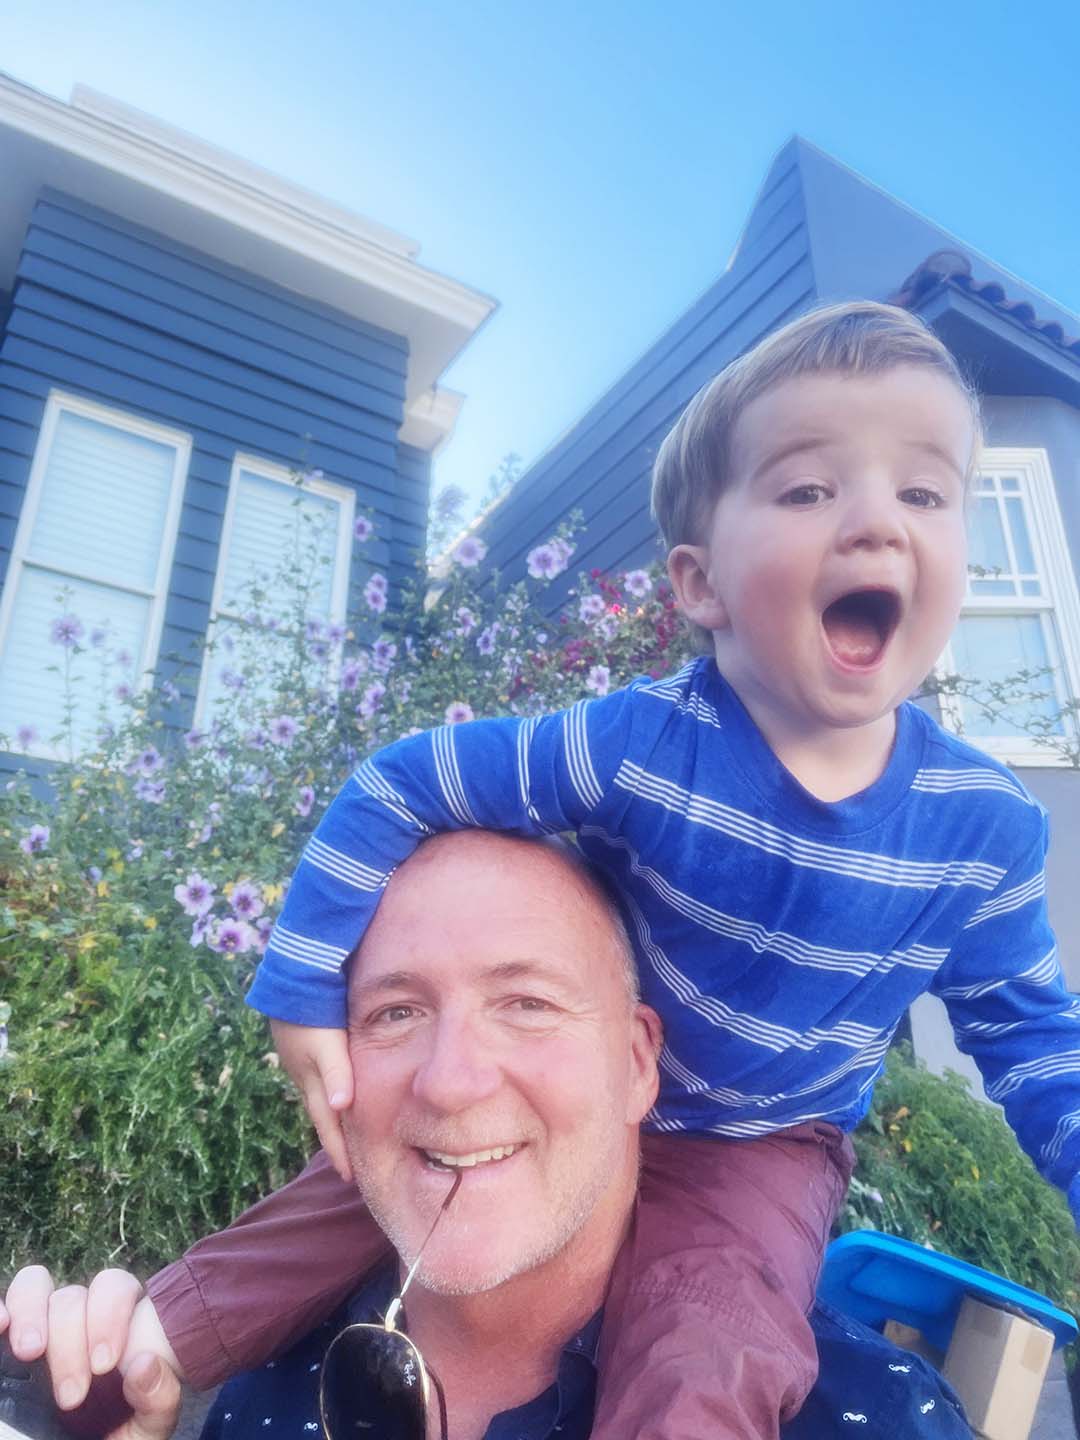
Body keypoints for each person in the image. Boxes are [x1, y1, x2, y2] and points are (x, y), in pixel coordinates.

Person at [1, 833, 971, 1440]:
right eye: (392, 1014)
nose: (452, 1080)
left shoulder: (866, 1417)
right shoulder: (268, 1389)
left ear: (638, 1063)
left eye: (527, 1002)